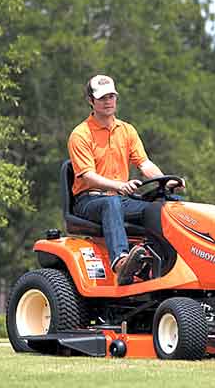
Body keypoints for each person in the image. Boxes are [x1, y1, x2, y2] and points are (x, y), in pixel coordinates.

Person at [68, 74, 182, 285]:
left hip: (121, 200)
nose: (108, 102)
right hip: (89, 201)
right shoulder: (81, 134)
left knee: (164, 208)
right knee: (111, 203)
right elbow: (88, 177)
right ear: (91, 101)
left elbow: (144, 164)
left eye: (111, 96)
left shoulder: (127, 130)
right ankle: (121, 263)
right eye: (102, 98)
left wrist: (165, 181)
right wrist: (119, 186)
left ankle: (168, 264)